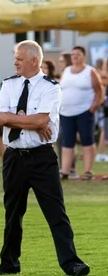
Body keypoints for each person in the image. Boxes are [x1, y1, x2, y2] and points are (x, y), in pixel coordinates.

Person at [0, 40, 89, 276]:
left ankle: (71, 263)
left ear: (34, 60)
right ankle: (9, 264)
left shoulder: (51, 87)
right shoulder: (8, 84)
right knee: (12, 213)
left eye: (19, 58)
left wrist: (15, 118)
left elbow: (41, 121)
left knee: (56, 212)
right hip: (14, 157)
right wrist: (31, 120)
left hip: (42, 158)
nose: (14, 62)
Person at [58, 46, 104, 180]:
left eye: (78, 54)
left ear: (84, 56)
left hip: (84, 111)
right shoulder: (66, 71)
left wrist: (94, 106)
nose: (75, 57)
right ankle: (65, 171)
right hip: (66, 113)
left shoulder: (90, 71)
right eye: (73, 54)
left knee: (86, 140)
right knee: (67, 142)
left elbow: (99, 90)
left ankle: (88, 171)